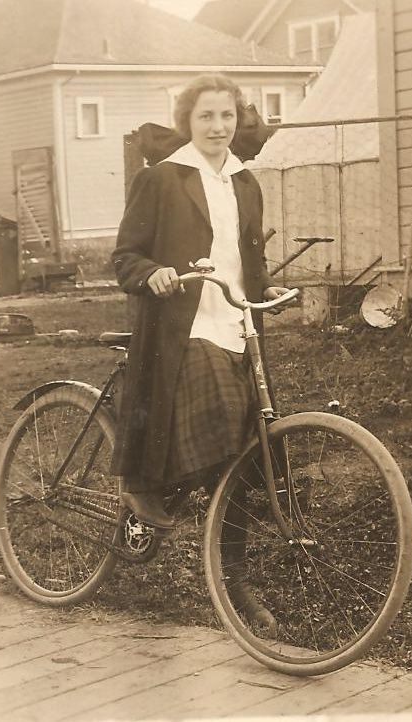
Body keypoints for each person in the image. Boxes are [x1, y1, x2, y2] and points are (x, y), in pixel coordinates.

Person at [111, 73, 289, 530]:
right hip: (183, 322)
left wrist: (264, 285)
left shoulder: (245, 182)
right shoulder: (161, 179)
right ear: (187, 121)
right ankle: (149, 491)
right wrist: (153, 273)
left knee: (252, 426)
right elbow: (126, 255)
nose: (218, 126)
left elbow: (249, 253)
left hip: (236, 320)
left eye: (227, 115)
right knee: (221, 409)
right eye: (206, 116)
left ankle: (224, 527)